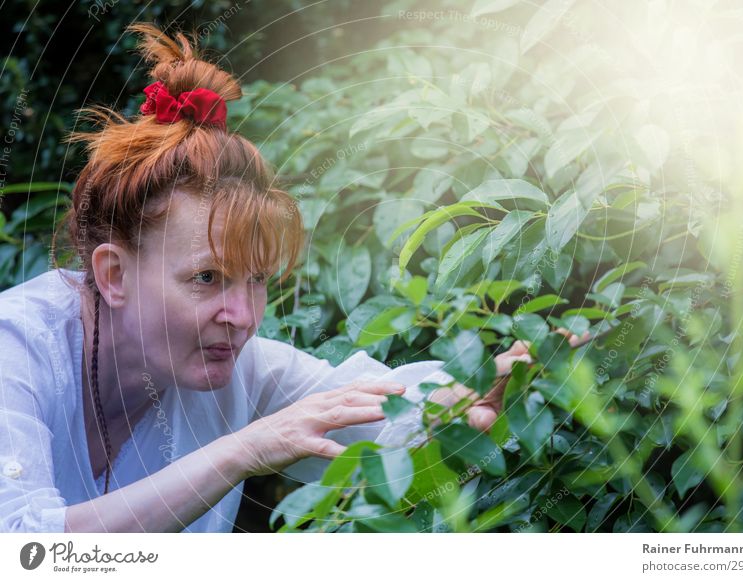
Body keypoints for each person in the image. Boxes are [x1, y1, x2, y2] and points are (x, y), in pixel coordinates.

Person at [0, 23, 582, 533]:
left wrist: (469, 395)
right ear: (114, 273)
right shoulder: (16, 348)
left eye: (256, 279)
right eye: (207, 277)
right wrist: (241, 451)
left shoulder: (239, 369)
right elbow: (27, 548)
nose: (245, 316)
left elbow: (378, 426)